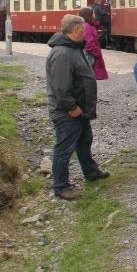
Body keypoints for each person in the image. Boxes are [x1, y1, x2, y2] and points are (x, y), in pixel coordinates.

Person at [46, 14, 109, 200]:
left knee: (84, 141)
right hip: (68, 112)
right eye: (82, 28)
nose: (85, 30)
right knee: (64, 148)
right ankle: (61, 186)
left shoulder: (72, 48)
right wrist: (71, 107)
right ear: (76, 30)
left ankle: (90, 172)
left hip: (79, 110)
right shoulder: (63, 54)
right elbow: (60, 87)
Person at [78, 7, 109, 81]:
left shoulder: (89, 25)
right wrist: (97, 52)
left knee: (91, 77)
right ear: (88, 15)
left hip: (91, 55)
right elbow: (88, 43)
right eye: (93, 13)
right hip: (90, 55)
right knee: (89, 77)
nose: (94, 15)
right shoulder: (87, 26)